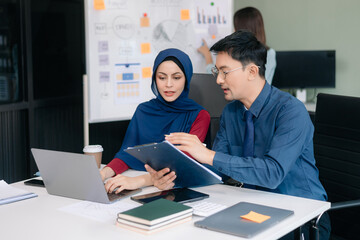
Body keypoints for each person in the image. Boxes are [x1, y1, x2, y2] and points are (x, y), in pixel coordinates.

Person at [166, 31, 330, 239]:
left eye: (225, 72)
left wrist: (208, 155)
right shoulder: (231, 113)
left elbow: (272, 173)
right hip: (254, 208)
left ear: (252, 71)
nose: (218, 79)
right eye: (217, 71)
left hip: (304, 217)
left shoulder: (291, 111)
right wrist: (174, 173)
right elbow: (219, 171)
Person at [100, 48, 210, 193]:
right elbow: (127, 154)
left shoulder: (200, 116)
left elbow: (183, 166)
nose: (168, 84)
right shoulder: (143, 110)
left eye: (176, 78)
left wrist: (139, 181)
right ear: (154, 78)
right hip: (141, 186)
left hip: (177, 190)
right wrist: (103, 173)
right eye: (162, 77)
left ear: (186, 79)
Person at [198, 6, 276, 85]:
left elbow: (222, 79)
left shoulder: (268, 54)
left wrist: (208, 56)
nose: (233, 31)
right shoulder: (236, 52)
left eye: (235, 28)